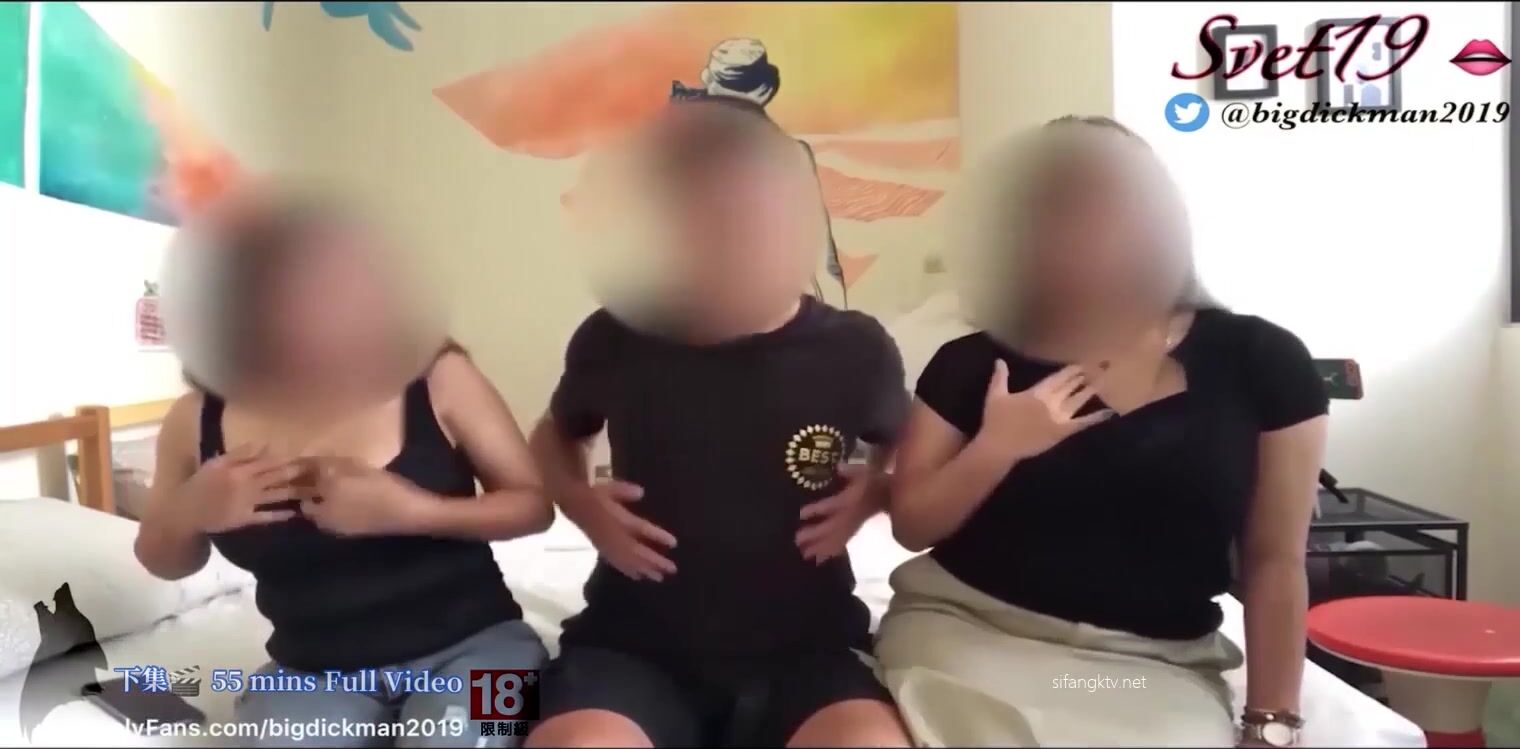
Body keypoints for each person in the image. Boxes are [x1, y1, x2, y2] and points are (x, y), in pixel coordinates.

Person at [876, 116, 1329, 747]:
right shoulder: (973, 360)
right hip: (967, 630)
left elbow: (1275, 559)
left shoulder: (1261, 361)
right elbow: (912, 526)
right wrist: (997, 447)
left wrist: (1272, 721)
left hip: (1150, 666)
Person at [524, 97, 912, 748]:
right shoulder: (617, 336)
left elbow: (909, 443)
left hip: (806, 649)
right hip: (635, 648)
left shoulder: (854, 349)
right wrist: (581, 502)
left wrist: (876, 490)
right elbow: (556, 434)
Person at [133, 190, 552, 748]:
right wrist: (190, 511)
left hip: (477, 647)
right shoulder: (194, 420)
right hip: (313, 671)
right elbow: (161, 560)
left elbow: (533, 507)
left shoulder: (437, 377)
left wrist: (411, 511)